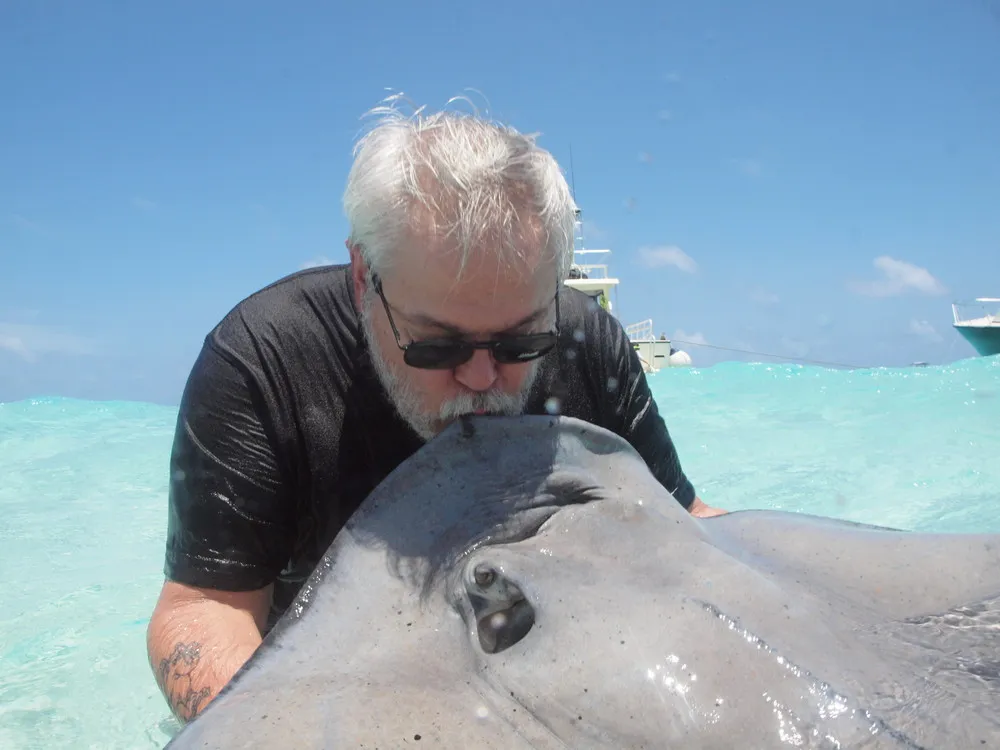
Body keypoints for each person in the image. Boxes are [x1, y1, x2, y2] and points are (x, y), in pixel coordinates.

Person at [146, 96, 726, 724]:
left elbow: (689, 529)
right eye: (437, 344)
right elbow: (204, 609)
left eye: (520, 340)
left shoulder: (591, 343)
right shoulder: (262, 360)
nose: (481, 377)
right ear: (366, 277)